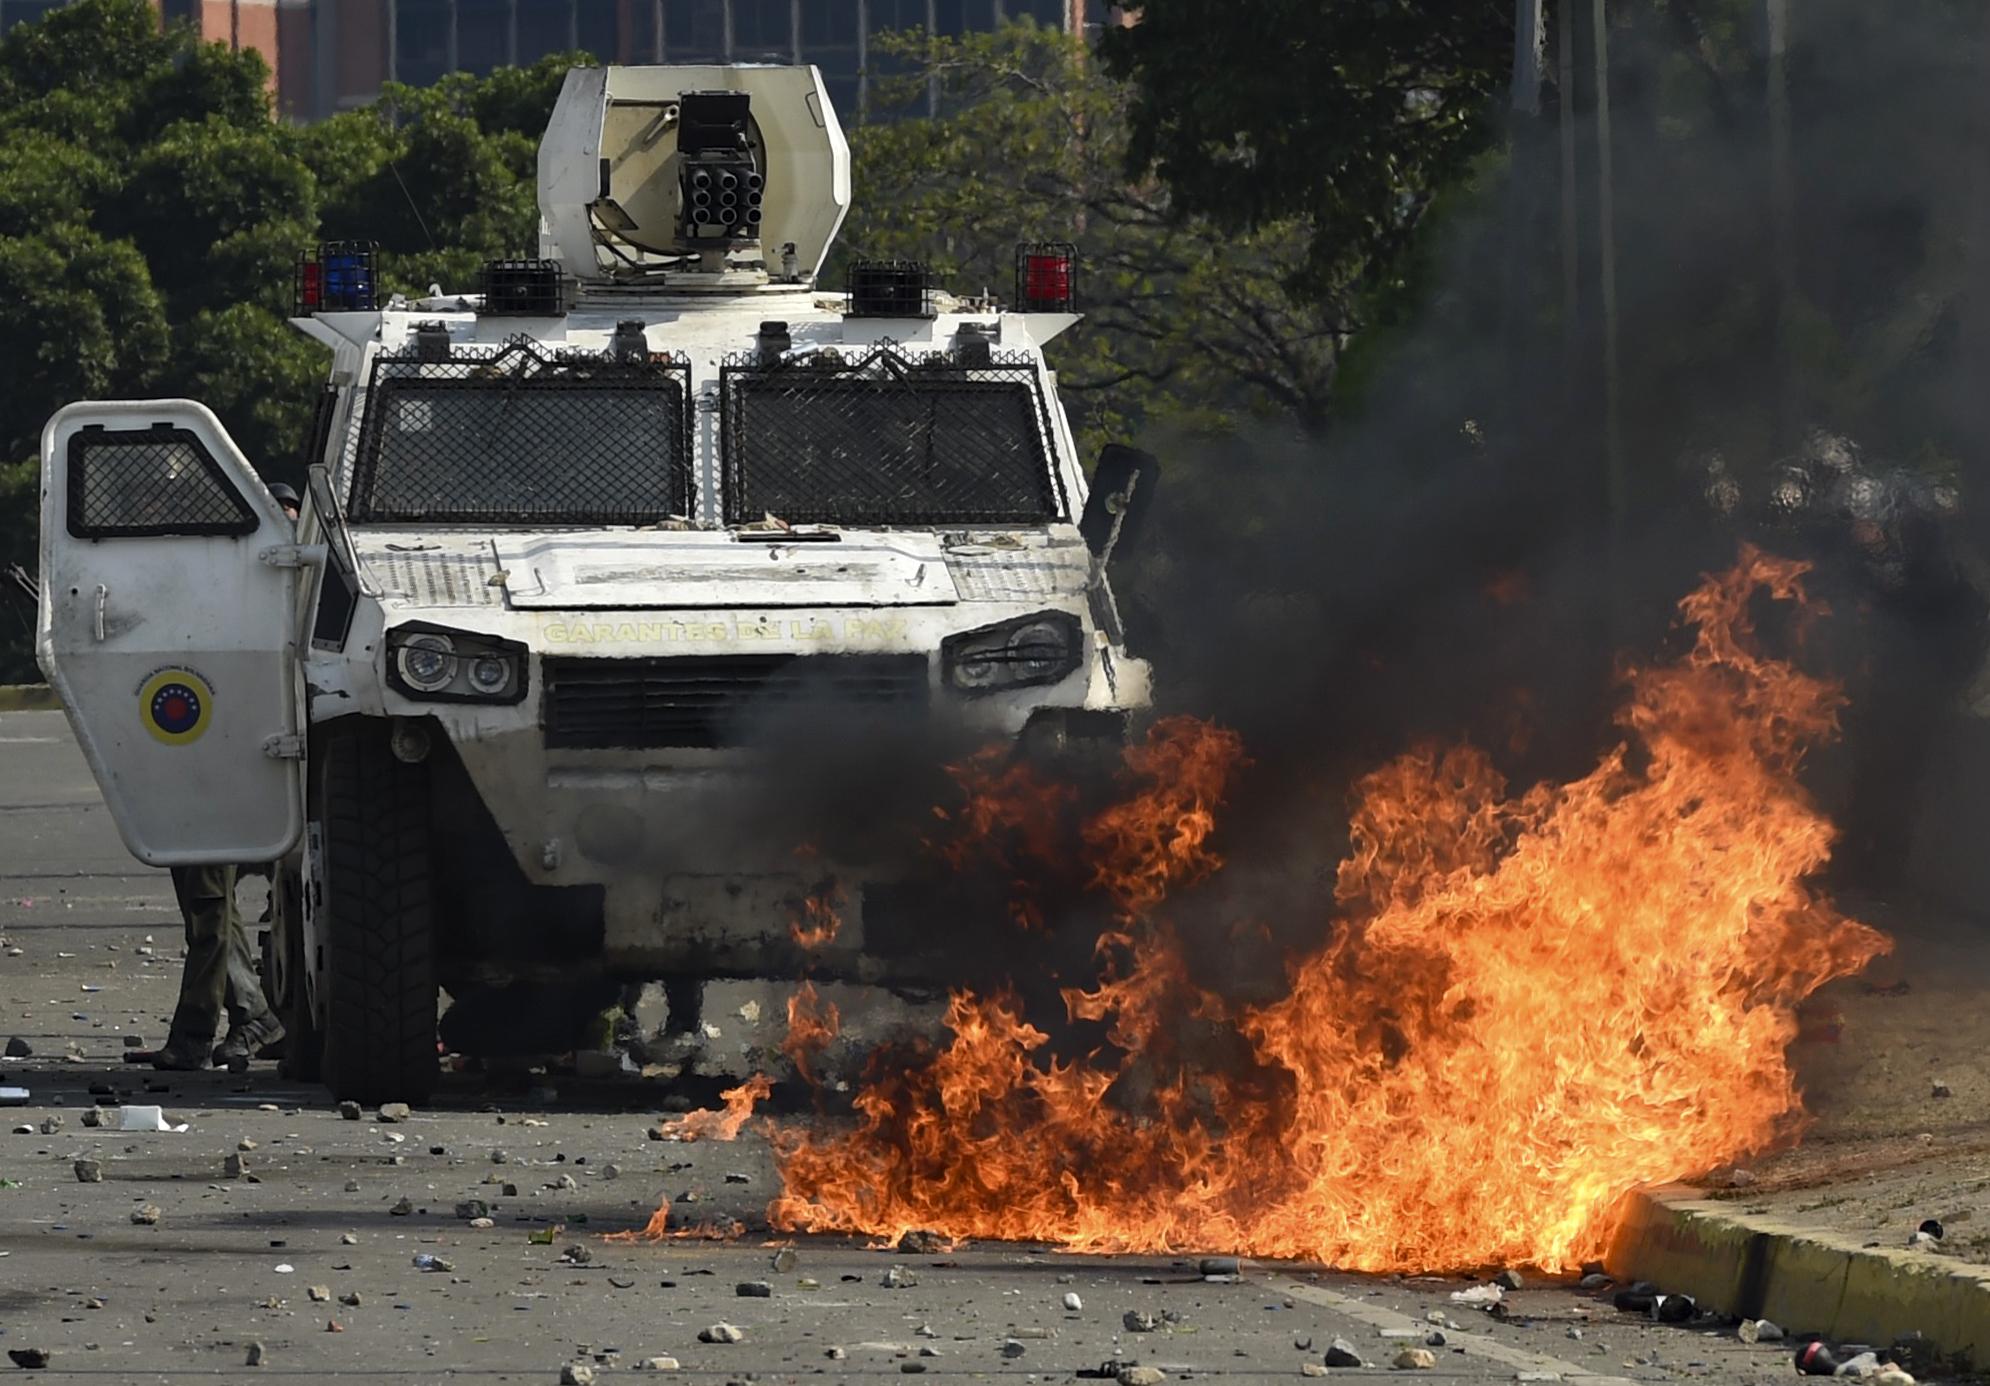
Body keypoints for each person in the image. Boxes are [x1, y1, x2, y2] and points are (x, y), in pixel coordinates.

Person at [150, 480, 302, 1071]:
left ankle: (196, 1035)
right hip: (211, 771)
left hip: (227, 776)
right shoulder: (244, 600)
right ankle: (255, 1019)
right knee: (212, 909)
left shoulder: (272, 602)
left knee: (211, 911)